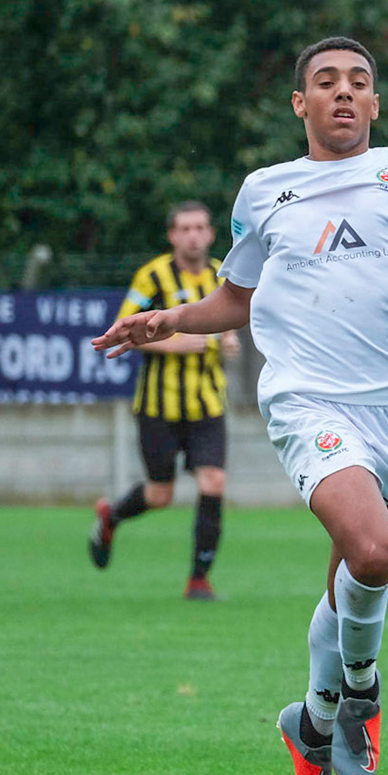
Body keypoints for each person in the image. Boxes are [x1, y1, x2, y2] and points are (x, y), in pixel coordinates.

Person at [93, 35, 388, 775]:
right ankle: (362, 691)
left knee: (355, 574)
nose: (344, 92)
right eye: (326, 82)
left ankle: (313, 726)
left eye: (359, 82)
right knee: (373, 550)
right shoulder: (266, 190)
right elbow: (235, 301)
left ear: (376, 104)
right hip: (305, 397)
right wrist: (166, 321)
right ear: (300, 103)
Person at [88, 202, 241, 598]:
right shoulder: (152, 276)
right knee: (161, 494)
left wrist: (228, 337)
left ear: (210, 233)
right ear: (172, 235)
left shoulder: (222, 273)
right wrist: (179, 343)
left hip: (208, 404)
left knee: (214, 481)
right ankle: (111, 516)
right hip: (158, 407)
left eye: (201, 227)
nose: (194, 235)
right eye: (185, 228)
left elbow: (232, 316)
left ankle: (198, 580)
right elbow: (124, 331)